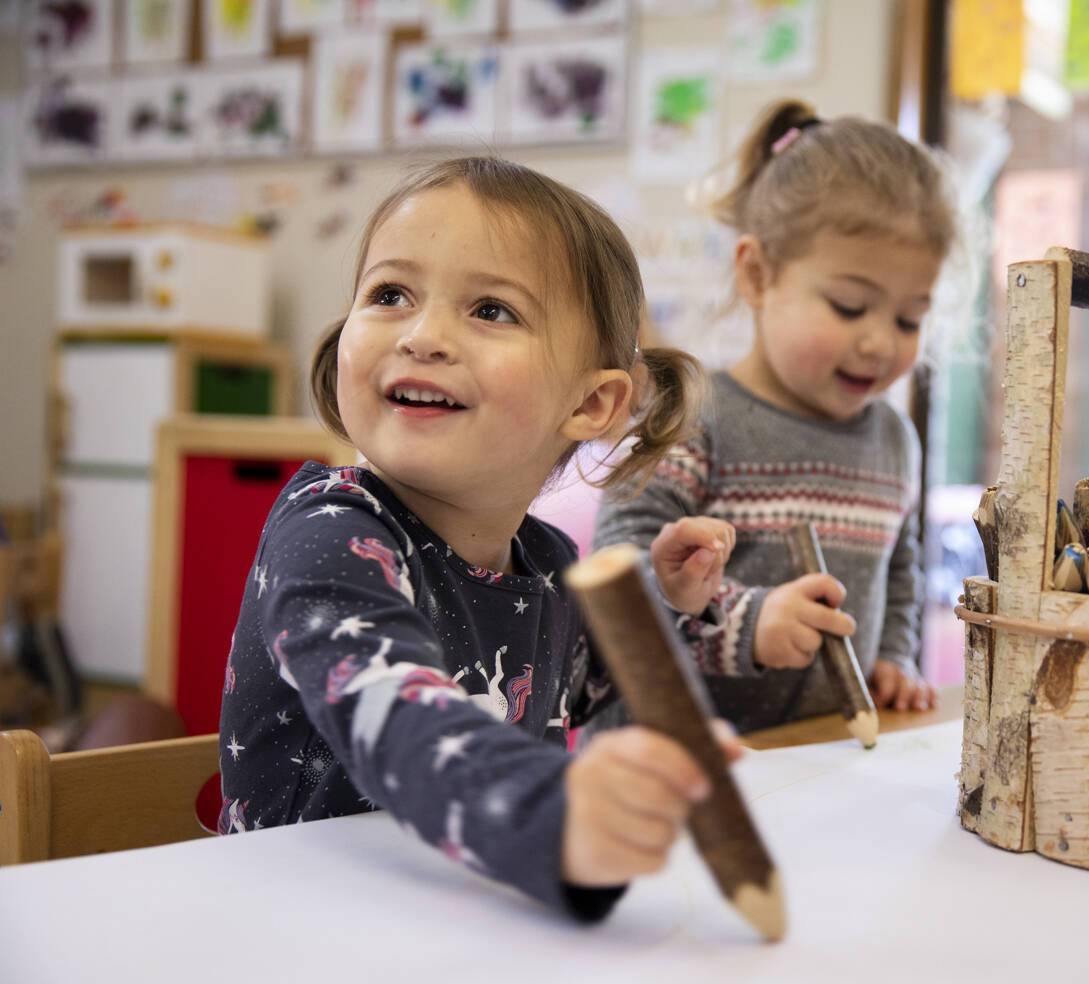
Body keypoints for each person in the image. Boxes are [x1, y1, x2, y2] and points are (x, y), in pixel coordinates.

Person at [217, 157, 741, 921]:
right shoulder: (330, 533)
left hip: (457, 918)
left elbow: (585, 686)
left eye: (491, 310)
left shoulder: (550, 561)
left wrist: (664, 608)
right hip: (296, 929)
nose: (423, 336)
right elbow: (398, 720)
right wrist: (559, 816)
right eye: (390, 294)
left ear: (593, 402)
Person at [592, 99, 959, 733]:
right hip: (675, 768)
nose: (879, 341)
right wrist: (747, 623)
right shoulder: (694, 417)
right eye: (849, 306)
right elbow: (619, 573)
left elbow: (901, 570)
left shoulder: (895, 439)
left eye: (908, 319)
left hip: (813, 760)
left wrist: (894, 657)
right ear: (758, 275)